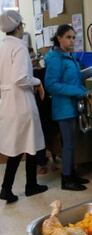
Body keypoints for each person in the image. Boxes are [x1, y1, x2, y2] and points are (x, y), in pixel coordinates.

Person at [0, 10, 48, 203]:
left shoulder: (2, 47)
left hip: (8, 103)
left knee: (20, 145)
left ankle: (17, 186)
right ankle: (26, 186)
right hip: (21, 103)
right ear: (19, 27)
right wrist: (37, 81)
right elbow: (21, 78)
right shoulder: (19, 47)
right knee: (28, 144)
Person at [44, 24, 90, 191]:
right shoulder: (56, 59)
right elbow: (51, 85)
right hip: (63, 108)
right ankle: (66, 179)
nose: (72, 40)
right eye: (68, 37)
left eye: (73, 37)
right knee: (68, 144)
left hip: (73, 106)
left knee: (71, 143)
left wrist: (83, 90)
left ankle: (71, 173)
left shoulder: (69, 57)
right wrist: (77, 91)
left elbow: (73, 81)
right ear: (59, 38)